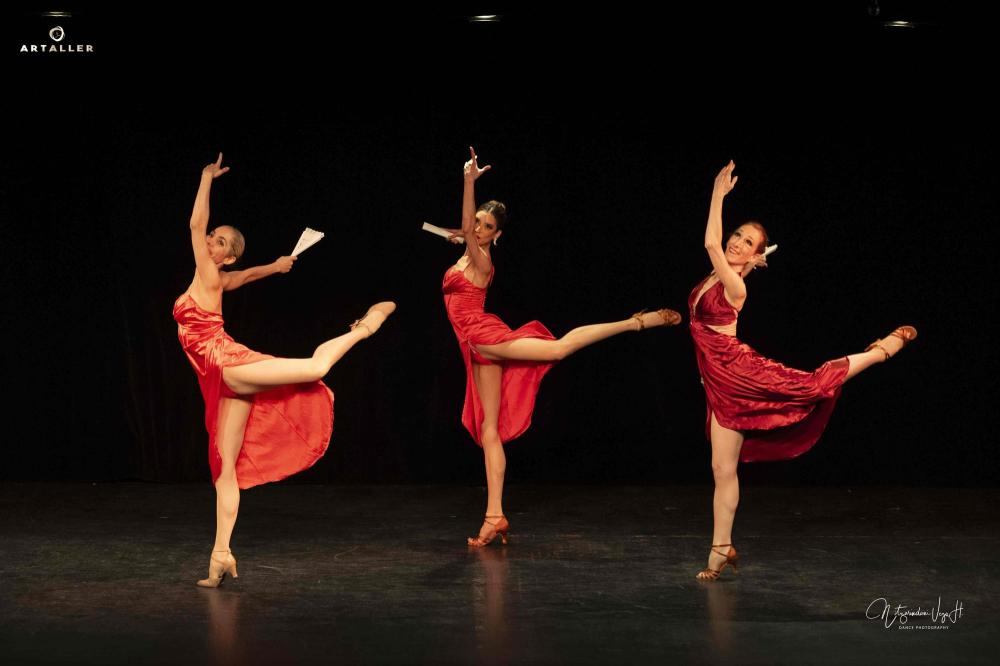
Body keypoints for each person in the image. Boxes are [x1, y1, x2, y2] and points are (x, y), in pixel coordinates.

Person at [441, 147, 682, 547]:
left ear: (497, 236)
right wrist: (464, 238)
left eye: (487, 226)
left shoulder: (482, 262)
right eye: (478, 222)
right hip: (474, 347)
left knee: (557, 350)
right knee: (489, 430)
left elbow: (466, 231)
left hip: (484, 336)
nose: (479, 229)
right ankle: (494, 516)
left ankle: (635, 322)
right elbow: (464, 233)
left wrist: (468, 183)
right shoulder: (466, 258)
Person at [173, 153, 395, 587]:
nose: (210, 241)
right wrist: (275, 267)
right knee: (225, 470)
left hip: (225, 362)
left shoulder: (208, 273)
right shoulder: (214, 279)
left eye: (219, 241)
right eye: (213, 237)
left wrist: (205, 179)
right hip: (217, 377)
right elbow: (246, 277)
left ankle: (364, 327)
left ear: (225, 257)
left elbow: (195, 224)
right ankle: (220, 554)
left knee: (316, 366)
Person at [689, 160, 917, 581]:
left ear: (756, 255)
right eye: (737, 235)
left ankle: (881, 351)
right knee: (722, 469)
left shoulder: (735, 286)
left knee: (811, 385)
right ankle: (721, 549)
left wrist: (718, 194)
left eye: (747, 242)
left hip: (741, 372)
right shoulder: (716, 277)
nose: (736, 242)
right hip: (719, 385)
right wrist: (751, 260)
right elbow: (706, 315)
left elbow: (710, 244)